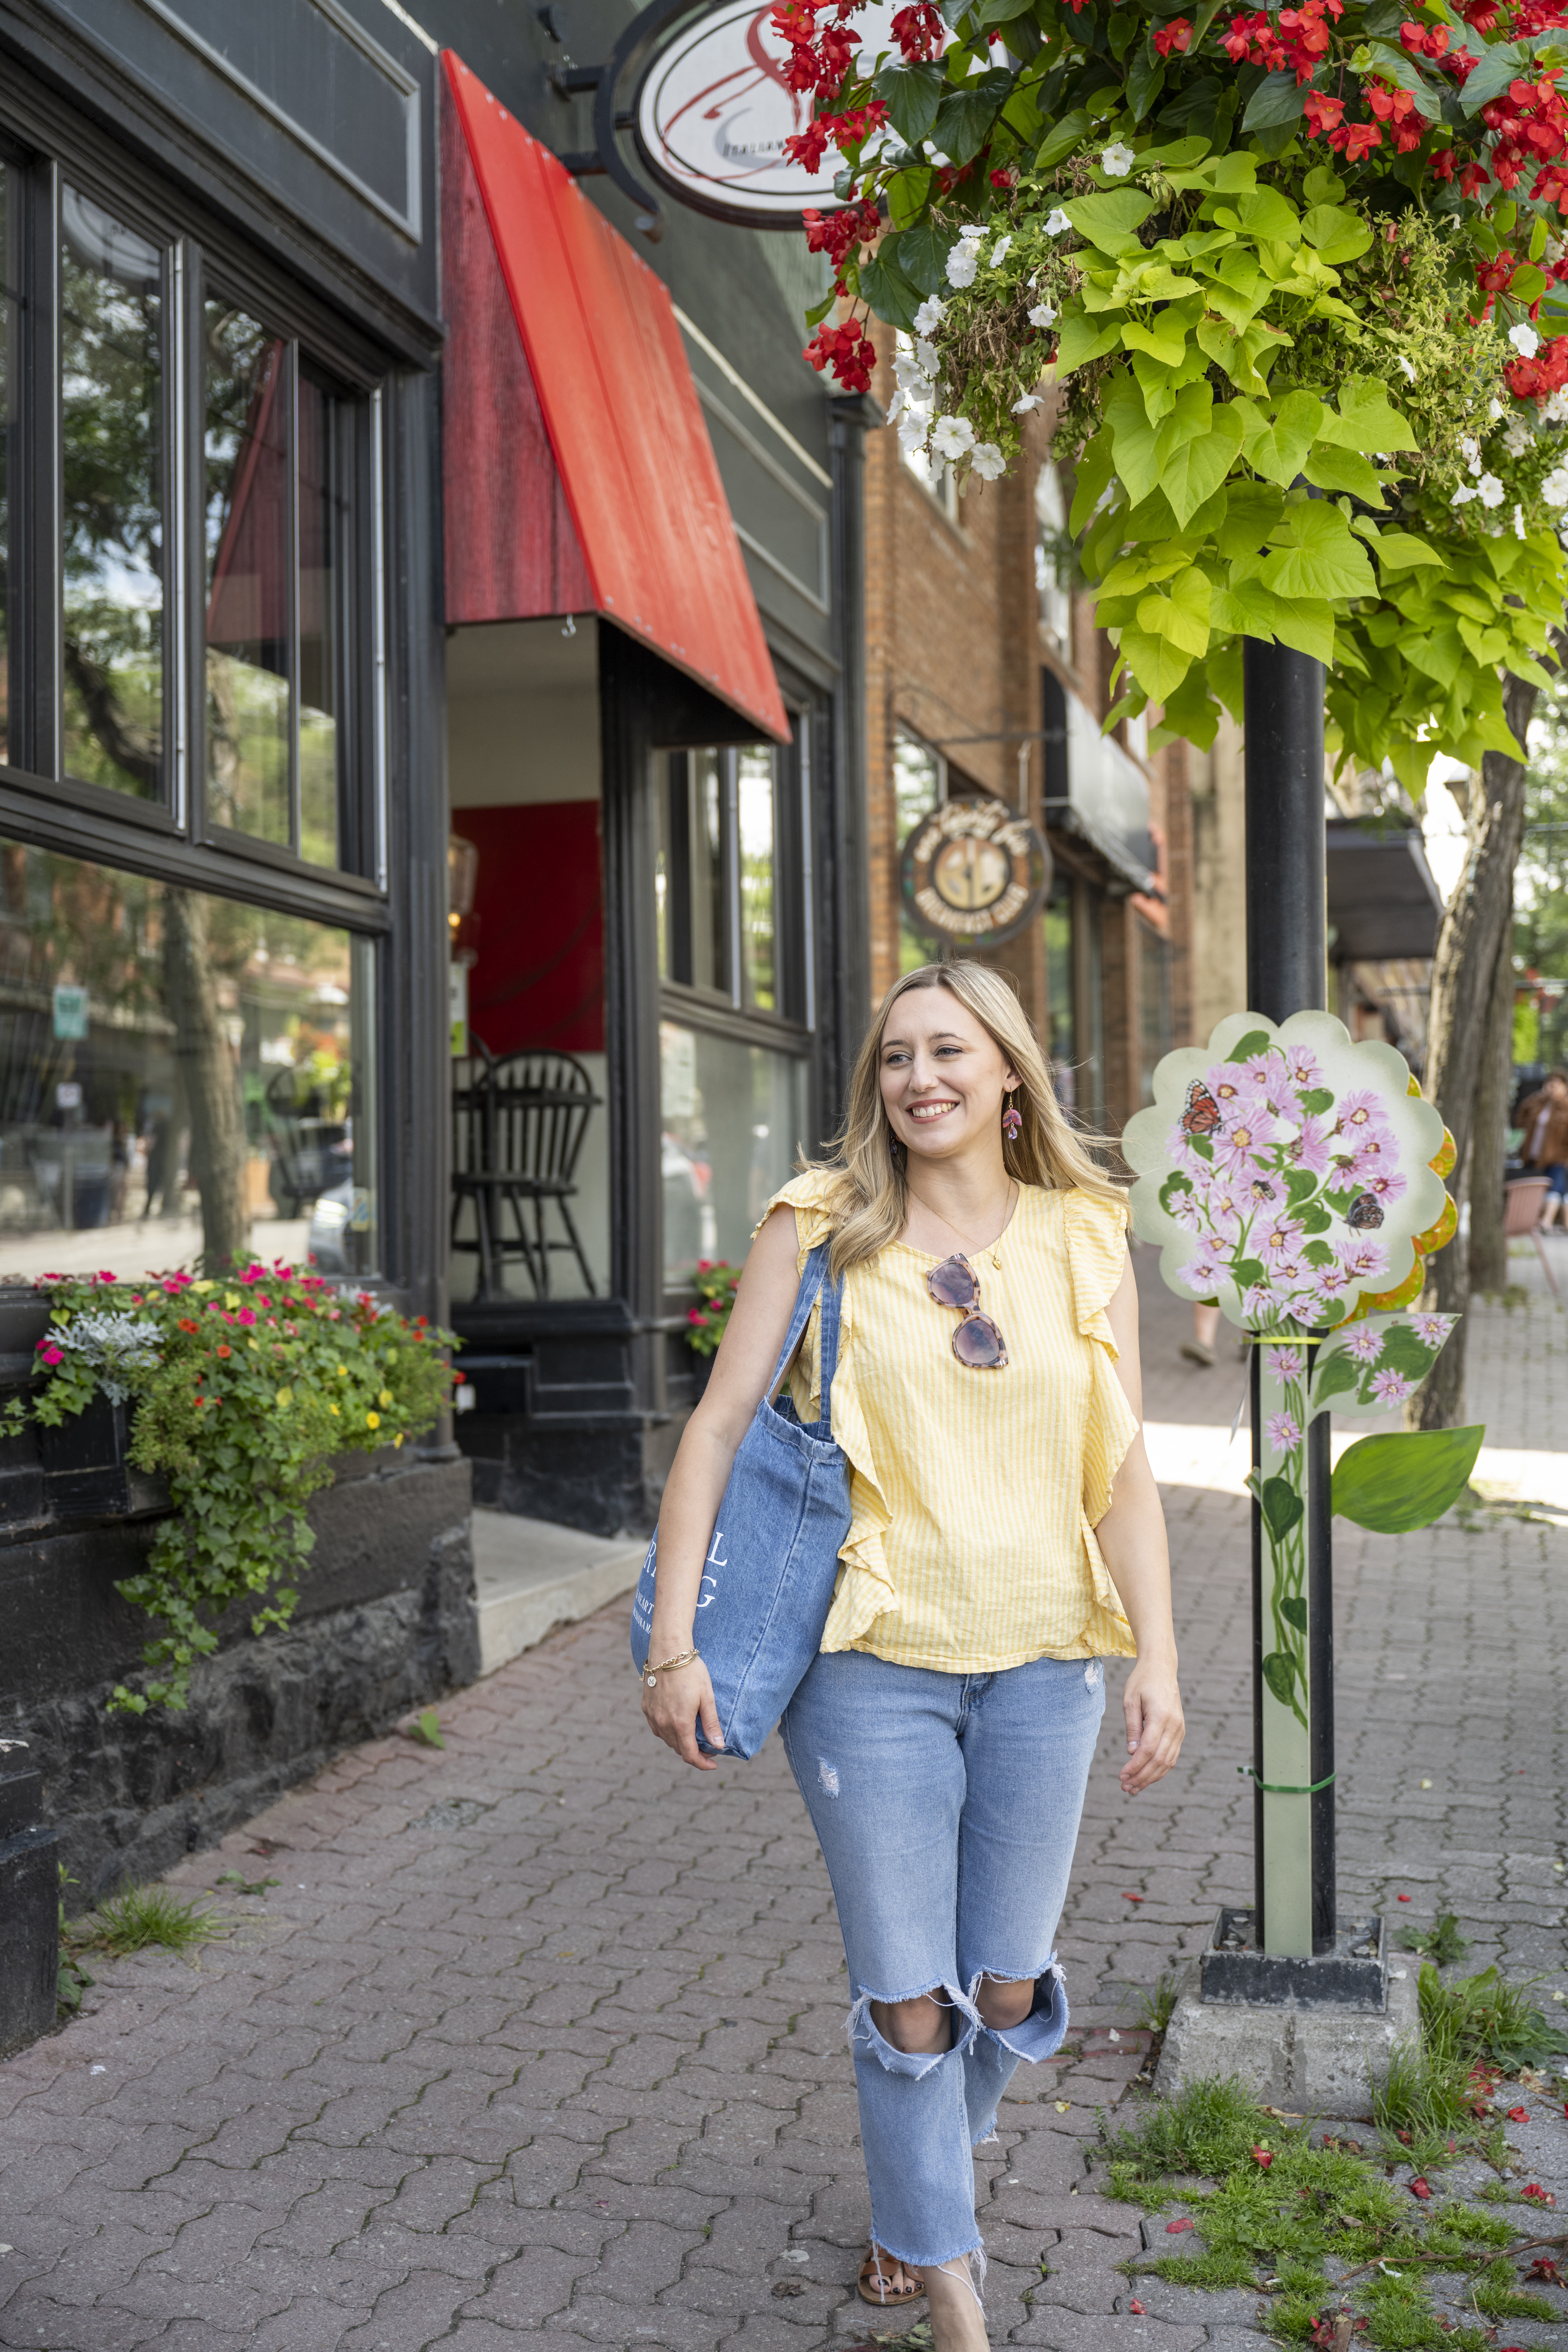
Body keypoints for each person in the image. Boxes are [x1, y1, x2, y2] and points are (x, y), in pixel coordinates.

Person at [639, 960, 1185, 2352]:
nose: (918, 1077)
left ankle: (909, 2190)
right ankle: (947, 2284)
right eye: (895, 1056)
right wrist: (670, 1641)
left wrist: (1158, 1659)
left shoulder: (1082, 1231)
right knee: (906, 1997)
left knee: (1000, 1985)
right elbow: (712, 1427)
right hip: (866, 1666)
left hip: (1048, 1661)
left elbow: (1121, 1467)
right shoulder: (817, 1225)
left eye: (948, 1050)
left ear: (1007, 1073)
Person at [1518, 1067, 1568, 1230]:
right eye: (1550, 1083)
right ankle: (1537, 1222)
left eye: (1557, 1084)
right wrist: (1539, 1097)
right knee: (1536, 1188)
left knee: (1555, 1188)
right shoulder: (1539, 1103)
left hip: (1557, 1158)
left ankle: (1546, 1222)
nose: (1552, 1087)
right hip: (1534, 1156)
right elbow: (1521, 1116)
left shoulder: (1566, 1108)